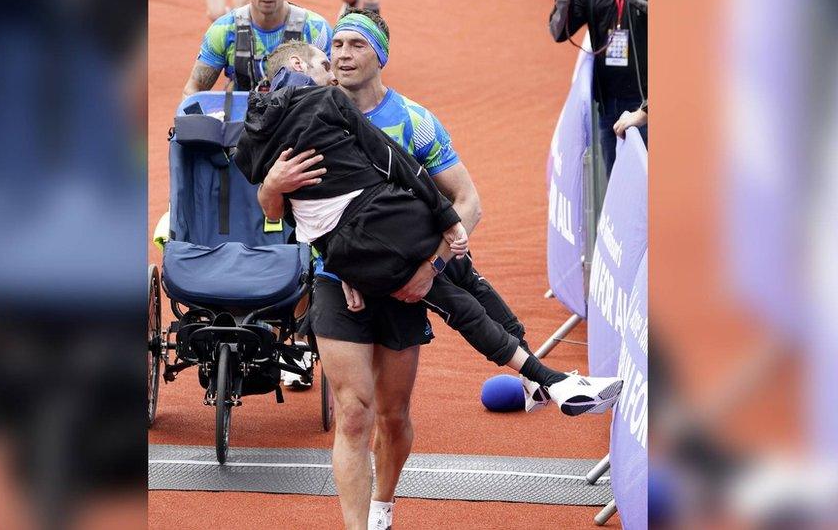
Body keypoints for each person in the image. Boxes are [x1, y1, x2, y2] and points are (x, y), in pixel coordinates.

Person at [252, 33, 622, 530]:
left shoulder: (414, 121)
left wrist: (432, 267)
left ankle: (383, 504)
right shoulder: (303, 114)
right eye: (334, 45)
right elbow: (282, 215)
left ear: (379, 55)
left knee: (393, 414)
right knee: (354, 412)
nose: (341, 54)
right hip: (338, 279)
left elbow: (468, 202)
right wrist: (273, 190)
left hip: (414, 263)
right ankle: (358, 525)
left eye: (355, 44)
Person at [549, 0, 648, 176]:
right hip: (608, 106)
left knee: (650, 187)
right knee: (615, 185)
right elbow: (558, 31)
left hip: (645, 105)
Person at [183, 0, 332, 96]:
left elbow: (336, 86)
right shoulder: (223, 30)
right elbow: (194, 89)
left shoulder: (316, 29)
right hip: (240, 127)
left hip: (299, 125)